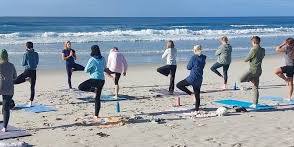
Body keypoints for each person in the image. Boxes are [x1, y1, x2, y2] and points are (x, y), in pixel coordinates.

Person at [78, 45, 110, 120]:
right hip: (102, 80)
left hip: (94, 79)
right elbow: (104, 68)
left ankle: (93, 90)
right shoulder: (103, 58)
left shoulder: (92, 59)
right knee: (97, 98)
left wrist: (91, 70)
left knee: (80, 87)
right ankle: (96, 115)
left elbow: (86, 70)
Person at [176, 45, 206, 111]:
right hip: (199, 78)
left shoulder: (194, 57)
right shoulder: (204, 57)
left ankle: (190, 93)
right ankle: (196, 109)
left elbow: (188, 67)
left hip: (192, 78)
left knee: (179, 85)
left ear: (195, 50)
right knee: (197, 95)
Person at [239, 36, 265, 108]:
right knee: (255, 87)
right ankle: (255, 103)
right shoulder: (263, 50)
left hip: (253, 70)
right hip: (259, 70)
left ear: (253, 42)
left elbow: (246, 59)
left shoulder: (253, 49)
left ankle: (250, 79)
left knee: (241, 79)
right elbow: (261, 57)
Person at [14, 42, 39, 107]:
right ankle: (31, 102)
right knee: (32, 87)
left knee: (14, 81)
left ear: (26, 47)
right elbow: (37, 62)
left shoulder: (26, 54)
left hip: (27, 71)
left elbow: (23, 64)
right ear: (32, 47)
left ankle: (26, 80)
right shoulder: (36, 54)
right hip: (34, 71)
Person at [0, 49, 17, 132]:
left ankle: (5, 127)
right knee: (6, 108)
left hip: (1, 88)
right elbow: (15, 77)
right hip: (9, 89)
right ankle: (5, 127)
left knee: (5, 107)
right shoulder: (12, 65)